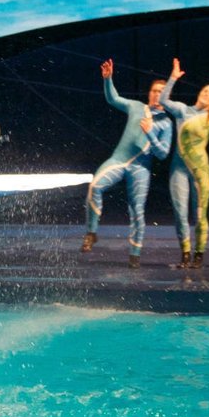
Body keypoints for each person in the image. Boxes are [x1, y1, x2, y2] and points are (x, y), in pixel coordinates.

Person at [80, 59, 173, 268]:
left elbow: (162, 154)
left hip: (140, 168)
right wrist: (108, 79)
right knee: (95, 186)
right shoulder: (136, 107)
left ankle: (135, 254)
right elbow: (113, 99)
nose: (157, 94)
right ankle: (92, 232)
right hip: (118, 160)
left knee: (137, 210)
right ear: (150, 93)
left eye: (161, 91)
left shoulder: (165, 123)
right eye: (154, 90)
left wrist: (150, 133)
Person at [160, 57, 209, 269]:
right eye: (205, 90)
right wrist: (173, 78)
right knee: (180, 212)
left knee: (200, 214)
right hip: (178, 168)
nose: (206, 93)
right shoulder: (183, 111)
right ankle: (185, 254)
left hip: (201, 171)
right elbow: (164, 101)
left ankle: (199, 255)